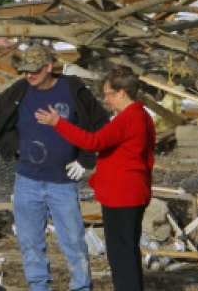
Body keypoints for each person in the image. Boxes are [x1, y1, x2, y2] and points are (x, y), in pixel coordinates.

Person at [0, 44, 109, 291]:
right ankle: (39, 287)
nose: (29, 75)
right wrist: (15, 145)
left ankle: (81, 287)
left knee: (73, 243)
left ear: (49, 67)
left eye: (35, 70)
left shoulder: (73, 90)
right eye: (26, 70)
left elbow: (100, 126)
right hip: (27, 180)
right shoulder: (21, 90)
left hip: (63, 182)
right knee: (30, 243)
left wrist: (85, 160)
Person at [35, 64, 156, 291]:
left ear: (121, 92)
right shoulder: (143, 117)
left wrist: (58, 123)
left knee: (121, 256)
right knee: (127, 252)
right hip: (133, 192)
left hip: (121, 195)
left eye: (109, 94)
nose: (107, 100)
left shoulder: (127, 119)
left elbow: (94, 142)